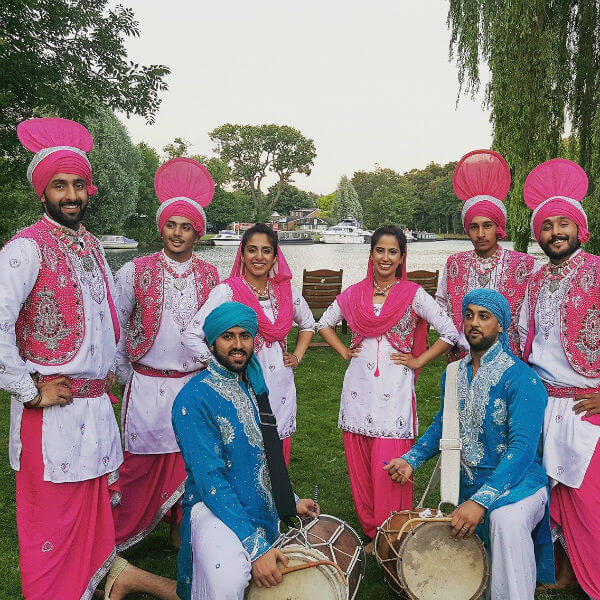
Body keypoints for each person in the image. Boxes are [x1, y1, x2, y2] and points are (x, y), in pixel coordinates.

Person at [0, 118, 177, 600]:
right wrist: (27, 387)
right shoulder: (24, 250)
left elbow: (104, 329)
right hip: (50, 415)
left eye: (79, 184)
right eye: (60, 185)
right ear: (43, 193)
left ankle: (105, 585)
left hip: (93, 412)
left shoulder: (93, 246)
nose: (72, 194)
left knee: (92, 519)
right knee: (51, 529)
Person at [387, 289, 554, 600]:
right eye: (469, 315)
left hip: (520, 483)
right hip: (467, 485)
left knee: (505, 520)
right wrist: (411, 459)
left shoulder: (522, 379)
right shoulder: (453, 374)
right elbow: (443, 425)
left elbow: (522, 449)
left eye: (484, 316)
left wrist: (482, 502)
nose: (474, 323)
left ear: (501, 325)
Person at [317, 224, 459, 551]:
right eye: (379, 250)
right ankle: (371, 532)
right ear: (371, 254)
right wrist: (343, 351)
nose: (385, 257)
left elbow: (450, 331)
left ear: (401, 257)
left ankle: (393, 531)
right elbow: (323, 323)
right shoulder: (355, 293)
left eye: (392, 251)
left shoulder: (412, 294)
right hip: (357, 389)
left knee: (389, 464)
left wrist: (419, 360)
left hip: (394, 391)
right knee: (361, 464)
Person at [172, 301, 319, 600]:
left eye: (245, 336)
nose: (238, 345)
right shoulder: (193, 398)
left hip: (258, 505)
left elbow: (260, 462)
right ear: (212, 343)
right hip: (212, 507)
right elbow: (210, 480)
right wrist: (255, 550)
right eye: (228, 337)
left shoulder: (254, 388)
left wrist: (288, 502)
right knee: (230, 581)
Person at [112, 157, 219, 551]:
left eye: (186, 227)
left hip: (193, 384)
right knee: (139, 463)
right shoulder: (134, 271)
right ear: (162, 228)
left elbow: (217, 332)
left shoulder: (210, 276)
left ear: (197, 233)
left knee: (191, 460)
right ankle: (123, 529)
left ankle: (181, 525)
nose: (177, 234)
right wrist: (127, 375)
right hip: (146, 385)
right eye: (171, 225)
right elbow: (118, 328)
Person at [518, 158, 600, 596]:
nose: (555, 232)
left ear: (579, 228)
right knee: (554, 495)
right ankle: (564, 572)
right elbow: (522, 340)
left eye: (563, 222)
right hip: (544, 402)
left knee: (588, 502)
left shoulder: (598, 272)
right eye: (546, 225)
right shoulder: (533, 280)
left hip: (588, 404)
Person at [183, 222, 314, 466]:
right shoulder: (227, 292)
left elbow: (307, 324)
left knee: (278, 467)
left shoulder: (286, 292)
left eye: (266, 250)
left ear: (275, 257)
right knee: (246, 464)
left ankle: (282, 505)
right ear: (242, 254)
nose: (259, 256)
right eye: (252, 250)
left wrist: (297, 355)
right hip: (243, 389)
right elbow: (191, 335)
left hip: (281, 390)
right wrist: (222, 370)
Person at [436, 150, 538, 360]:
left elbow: (535, 317)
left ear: (498, 227)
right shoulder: (455, 264)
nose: (480, 234)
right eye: (474, 227)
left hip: (509, 361)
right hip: (463, 359)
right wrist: (448, 341)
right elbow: (441, 305)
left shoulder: (525, 265)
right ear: (467, 229)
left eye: (487, 225)